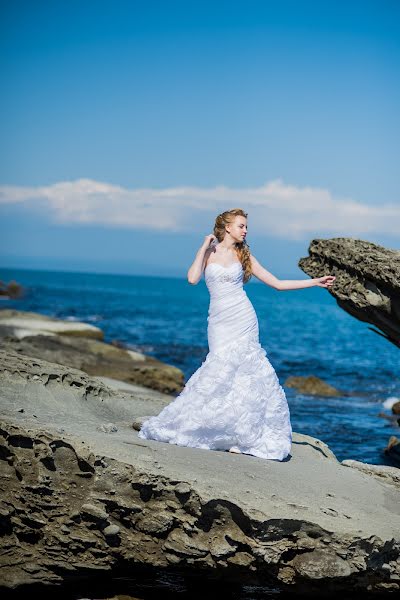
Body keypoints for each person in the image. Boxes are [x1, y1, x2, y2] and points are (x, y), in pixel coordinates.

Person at [138, 208, 336, 460]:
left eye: (246, 226)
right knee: (219, 368)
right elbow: (191, 278)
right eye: (241, 225)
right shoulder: (209, 251)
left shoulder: (244, 254)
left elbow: (276, 284)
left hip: (243, 317)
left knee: (246, 371)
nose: (245, 230)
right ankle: (217, 428)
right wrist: (203, 246)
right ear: (227, 227)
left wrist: (314, 281)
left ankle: (243, 434)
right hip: (219, 320)